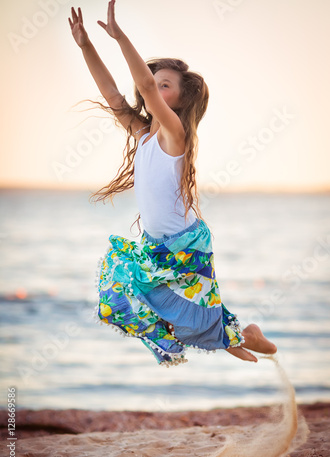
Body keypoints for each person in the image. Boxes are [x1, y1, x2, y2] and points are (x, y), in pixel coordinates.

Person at [68, 1, 277, 367]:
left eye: (166, 86)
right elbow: (113, 95)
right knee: (140, 300)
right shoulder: (144, 133)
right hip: (158, 246)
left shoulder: (174, 135)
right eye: (157, 83)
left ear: (181, 99)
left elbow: (144, 86)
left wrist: (120, 37)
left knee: (187, 316)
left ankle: (243, 337)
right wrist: (86, 46)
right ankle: (243, 336)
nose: (153, 88)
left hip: (183, 242)